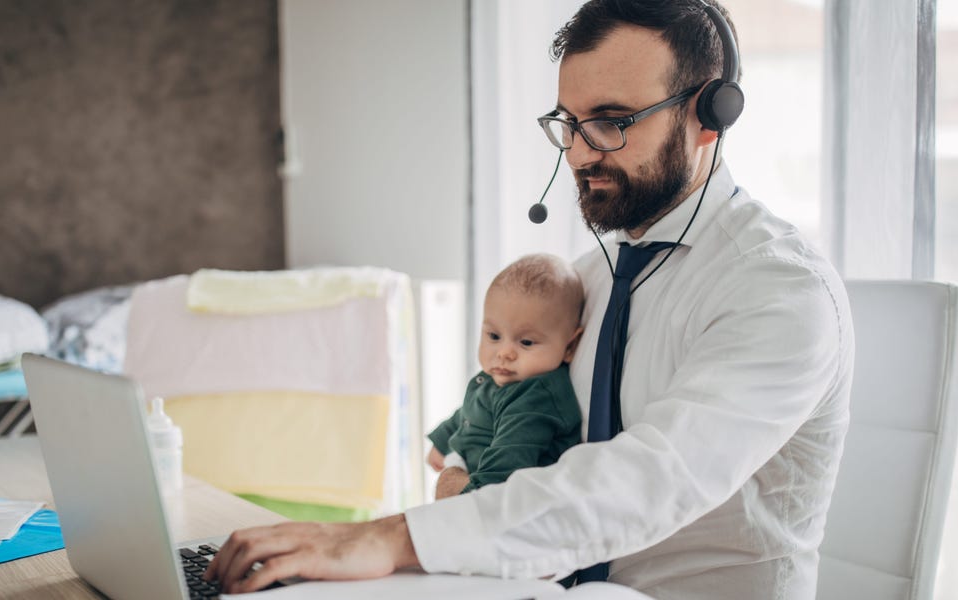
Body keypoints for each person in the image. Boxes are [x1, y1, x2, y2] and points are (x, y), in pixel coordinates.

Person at [204, 1, 854, 598]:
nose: (577, 153)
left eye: (609, 121)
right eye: (568, 123)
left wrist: (393, 537)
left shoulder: (779, 291)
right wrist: (456, 484)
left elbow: (651, 479)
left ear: (711, 115)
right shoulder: (588, 282)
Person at [426, 253, 584, 501]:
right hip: (467, 473)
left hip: (492, 499)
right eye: (493, 336)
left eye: (526, 341)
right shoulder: (500, 378)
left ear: (569, 346)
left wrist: (459, 498)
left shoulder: (534, 400)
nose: (504, 353)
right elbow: (470, 411)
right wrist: (442, 439)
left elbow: (500, 476)